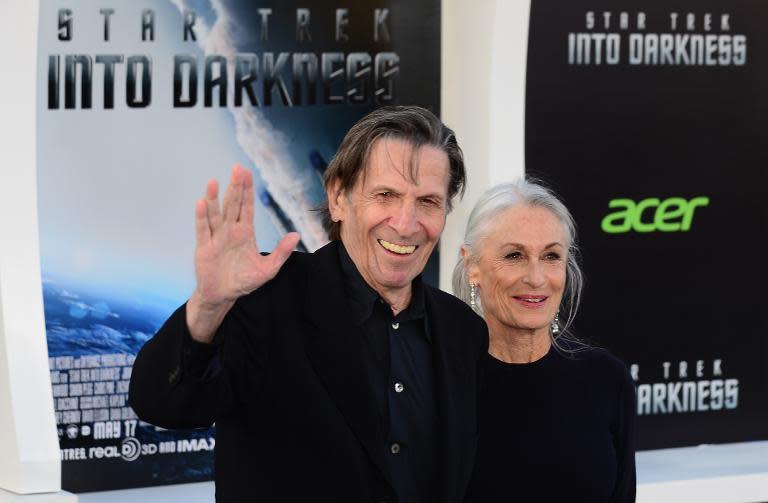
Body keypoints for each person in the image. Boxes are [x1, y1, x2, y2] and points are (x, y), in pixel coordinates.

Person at [129, 106, 488, 503]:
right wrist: (208, 306)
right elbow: (161, 403)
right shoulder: (267, 300)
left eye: (428, 202)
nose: (405, 223)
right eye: (386, 195)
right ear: (337, 197)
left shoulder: (462, 330)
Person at [452, 181, 636, 502]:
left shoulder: (607, 380)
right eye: (514, 255)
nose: (536, 278)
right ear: (472, 266)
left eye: (551, 256)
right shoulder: (438, 386)